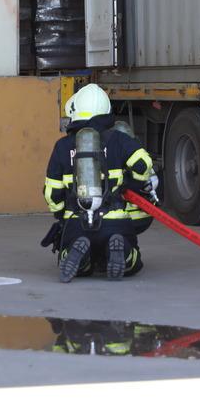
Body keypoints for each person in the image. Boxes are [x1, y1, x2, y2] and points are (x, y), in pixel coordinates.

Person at [41, 83, 156, 282]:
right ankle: (123, 251)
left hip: (76, 223)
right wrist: (132, 184)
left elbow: (52, 193)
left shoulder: (62, 146)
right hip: (115, 222)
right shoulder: (119, 139)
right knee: (133, 262)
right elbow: (143, 165)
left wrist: (61, 215)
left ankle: (81, 257)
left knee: (69, 253)